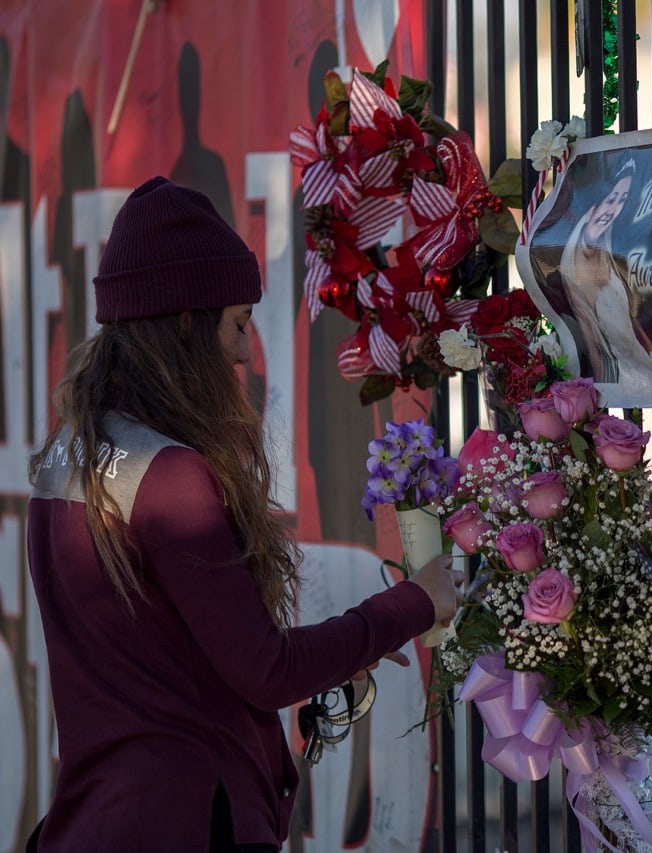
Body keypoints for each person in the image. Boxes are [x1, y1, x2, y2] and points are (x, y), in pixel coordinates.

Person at [24, 177, 461, 852]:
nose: (243, 351)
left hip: (94, 822)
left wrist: (346, 650)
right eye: (236, 323)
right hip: (185, 823)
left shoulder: (67, 452)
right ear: (183, 324)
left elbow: (166, 658)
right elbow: (266, 670)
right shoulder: (170, 478)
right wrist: (416, 603)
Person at [558, 161, 652, 386]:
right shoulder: (570, 266)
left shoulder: (611, 252)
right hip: (626, 376)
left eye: (622, 201)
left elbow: (632, 323)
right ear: (592, 203)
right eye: (610, 199)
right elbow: (591, 344)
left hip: (648, 363)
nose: (613, 210)